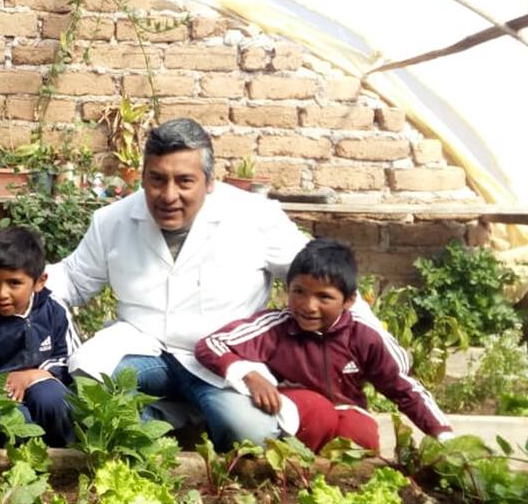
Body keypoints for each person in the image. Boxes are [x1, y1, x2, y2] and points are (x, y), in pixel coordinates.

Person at [46, 117, 390, 450]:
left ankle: (179, 420)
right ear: (143, 177)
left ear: (209, 181)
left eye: (184, 181)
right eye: (156, 180)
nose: (168, 195)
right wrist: (23, 284)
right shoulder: (113, 220)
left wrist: (372, 345)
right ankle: (176, 419)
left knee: (249, 432)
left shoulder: (255, 217)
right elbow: (72, 279)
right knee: (93, 394)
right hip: (141, 348)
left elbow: (324, 278)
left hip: (221, 359)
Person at [195, 238, 454, 452]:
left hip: (347, 409)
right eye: (298, 292)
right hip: (294, 415)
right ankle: (298, 476)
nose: (308, 306)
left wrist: (443, 436)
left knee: (359, 432)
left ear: (349, 300)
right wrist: (249, 375)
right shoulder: (275, 327)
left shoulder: (365, 336)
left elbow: (404, 387)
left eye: (324, 297)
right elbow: (212, 344)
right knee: (319, 412)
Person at [0, 227, 80, 447]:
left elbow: (70, 360)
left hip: (42, 385)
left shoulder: (54, 311)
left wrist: (33, 375)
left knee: (52, 399)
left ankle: (65, 456)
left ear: (40, 281)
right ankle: (18, 459)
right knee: (15, 421)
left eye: (14, 283)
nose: (2, 293)